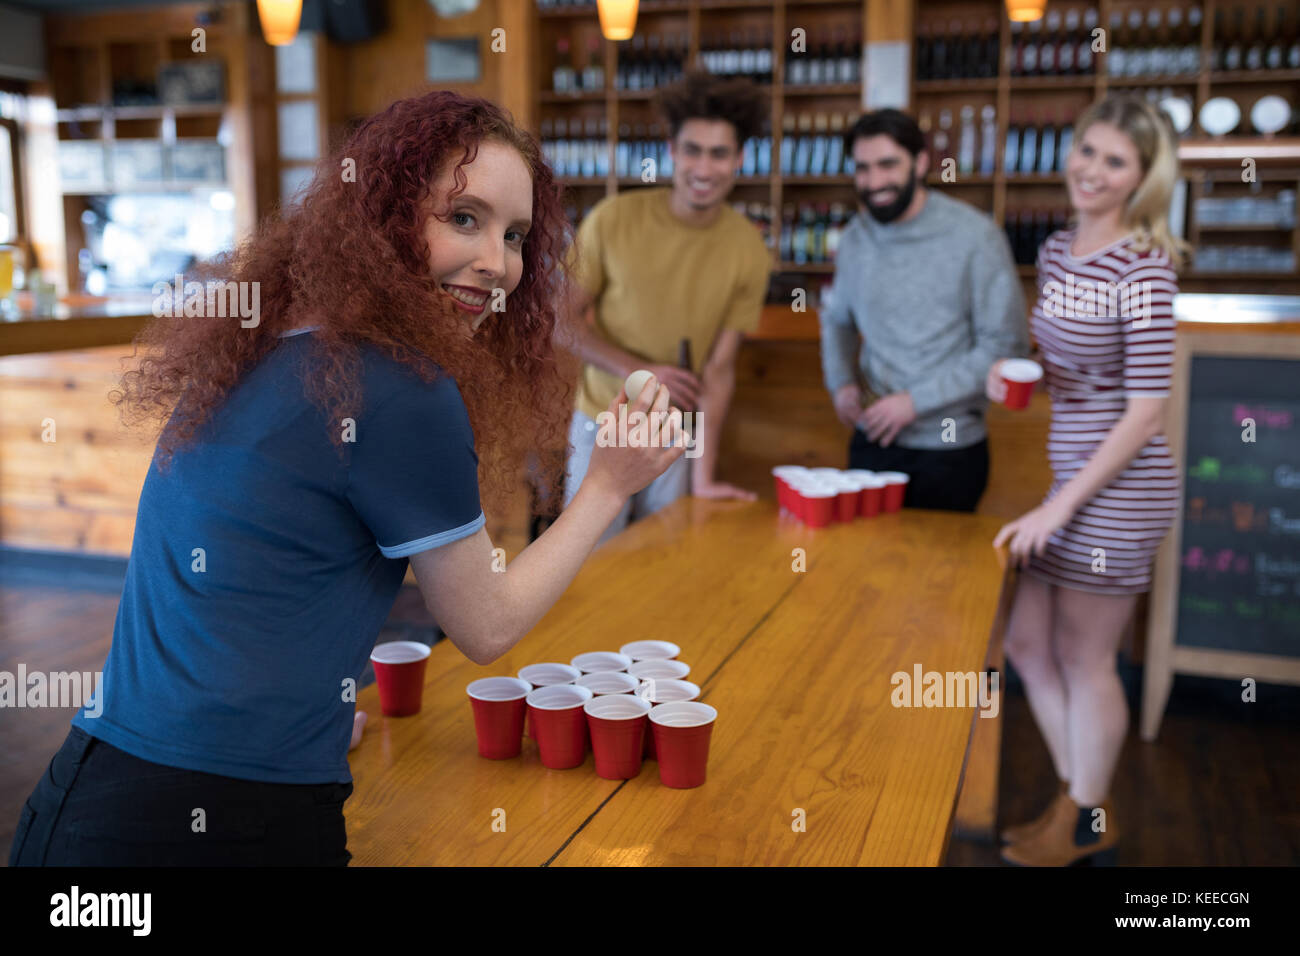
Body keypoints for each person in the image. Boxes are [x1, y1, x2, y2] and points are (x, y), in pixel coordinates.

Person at [9, 91, 684, 867]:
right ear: (386, 216)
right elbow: (486, 626)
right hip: (220, 820)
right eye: (462, 217)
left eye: (516, 234)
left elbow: (241, 587)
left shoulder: (267, 340)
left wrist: (305, 716)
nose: (498, 262)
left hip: (92, 795)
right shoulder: (398, 387)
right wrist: (607, 484)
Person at [990, 95, 1186, 866]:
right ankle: (1078, 805)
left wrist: (1057, 508)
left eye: (1116, 161)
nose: (1093, 171)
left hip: (1119, 488)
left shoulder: (1144, 265)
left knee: (1085, 657)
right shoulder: (1061, 248)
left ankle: (1082, 819)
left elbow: (1143, 410)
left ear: (1142, 178)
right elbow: (1078, 373)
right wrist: (1026, 382)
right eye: (1088, 151)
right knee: (1026, 642)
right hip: (1071, 473)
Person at [561, 69, 771, 544]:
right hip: (602, 420)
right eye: (692, 150)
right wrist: (640, 370)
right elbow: (558, 320)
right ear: (672, 152)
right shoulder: (613, 219)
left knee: (665, 561)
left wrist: (704, 476)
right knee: (585, 563)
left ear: (739, 159)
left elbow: (719, 372)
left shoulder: (749, 248)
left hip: (675, 430)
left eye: (719, 154)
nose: (704, 168)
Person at [820, 109, 1029, 512]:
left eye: (887, 164)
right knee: (859, 569)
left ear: (920, 163)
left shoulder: (975, 236)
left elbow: (1005, 346)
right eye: (862, 168)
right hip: (873, 442)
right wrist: (841, 382)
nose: (874, 181)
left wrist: (914, 402)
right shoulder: (854, 238)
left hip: (948, 448)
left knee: (936, 574)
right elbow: (837, 320)